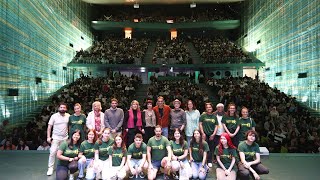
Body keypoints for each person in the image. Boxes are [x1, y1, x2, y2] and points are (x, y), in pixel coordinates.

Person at [47, 103, 70, 176]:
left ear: (66, 109)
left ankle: (63, 167)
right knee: (53, 152)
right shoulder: (54, 116)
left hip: (65, 138)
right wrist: (48, 137)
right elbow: (49, 127)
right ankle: (50, 168)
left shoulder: (68, 116)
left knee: (64, 153)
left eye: (64, 107)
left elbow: (69, 127)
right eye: (61, 107)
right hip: (56, 137)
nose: (62, 108)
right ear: (58, 108)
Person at [199, 102, 218, 167]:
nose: (209, 108)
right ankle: (203, 160)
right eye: (207, 107)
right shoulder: (203, 115)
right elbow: (200, 124)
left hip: (211, 135)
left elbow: (216, 126)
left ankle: (209, 161)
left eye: (210, 107)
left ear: (212, 108)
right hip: (204, 134)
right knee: (203, 147)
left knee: (210, 148)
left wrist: (213, 134)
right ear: (205, 108)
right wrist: (202, 133)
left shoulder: (214, 116)